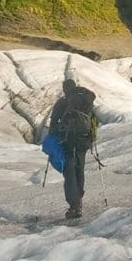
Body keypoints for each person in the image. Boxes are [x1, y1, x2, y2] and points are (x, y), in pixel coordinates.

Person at [49, 78, 97, 219]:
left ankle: (74, 206)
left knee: (69, 171)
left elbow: (53, 122)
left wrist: (53, 138)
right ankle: (79, 199)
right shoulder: (85, 102)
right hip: (83, 141)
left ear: (65, 89)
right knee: (79, 169)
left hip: (67, 140)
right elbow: (94, 120)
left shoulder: (63, 103)